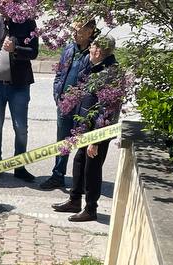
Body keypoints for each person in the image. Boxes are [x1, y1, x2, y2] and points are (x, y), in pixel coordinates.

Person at [53, 35, 122, 222]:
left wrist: (96, 139)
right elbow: (81, 83)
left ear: (100, 50)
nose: (90, 48)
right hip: (85, 126)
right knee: (79, 162)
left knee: (92, 170)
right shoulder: (95, 66)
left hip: (98, 131)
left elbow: (108, 109)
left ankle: (91, 209)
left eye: (93, 46)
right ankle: (74, 200)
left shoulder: (111, 72)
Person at [0, 11, 38, 181]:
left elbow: (34, 52)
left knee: (21, 129)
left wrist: (15, 49)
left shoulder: (28, 23)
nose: (2, 6)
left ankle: (19, 167)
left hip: (18, 86)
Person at [38, 19, 97, 191]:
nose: (74, 34)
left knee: (83, 144)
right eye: (74, 30)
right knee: (62, 142)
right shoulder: (70, 48)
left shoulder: (94, 52)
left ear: (90, 31)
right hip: (64, 104)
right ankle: (58, 175)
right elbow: (60, 73)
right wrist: (57, 94)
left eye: (78, 31)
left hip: (83, 107)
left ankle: (83, 181)